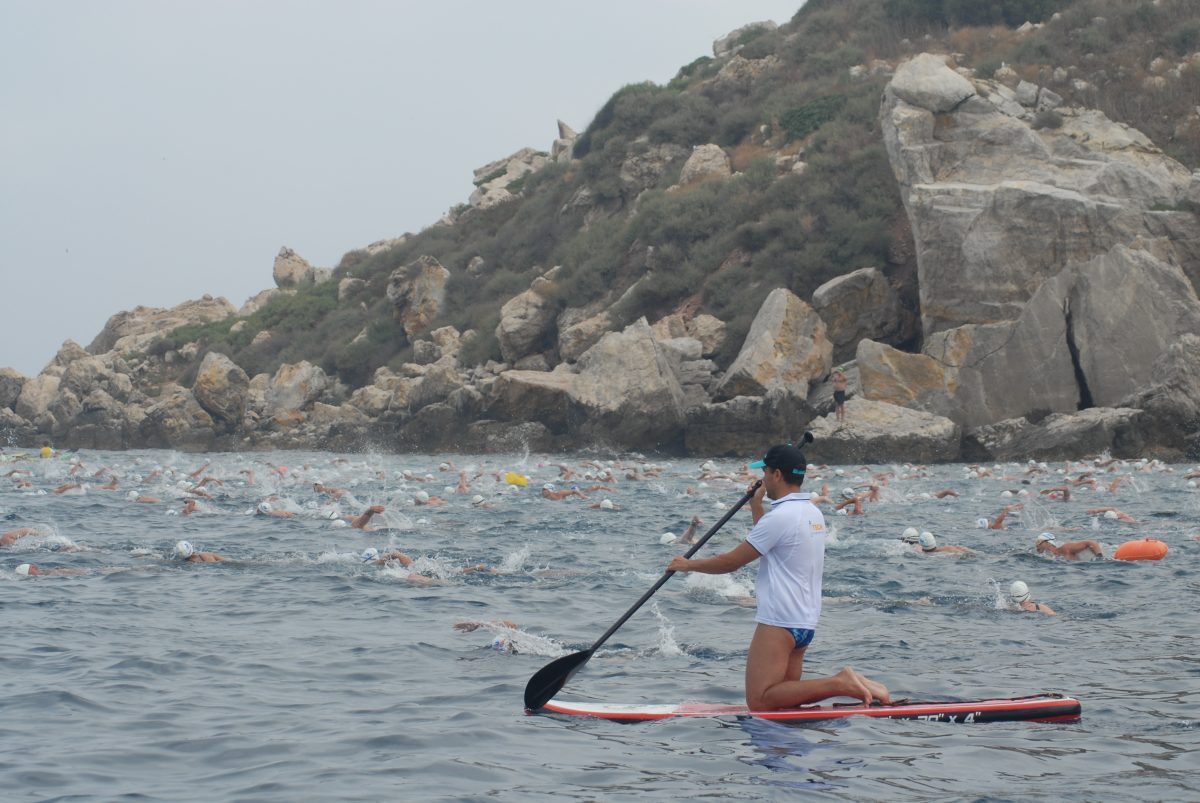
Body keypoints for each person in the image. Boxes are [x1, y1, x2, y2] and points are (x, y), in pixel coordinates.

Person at [667, 442, 889, 710]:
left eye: (766, 472)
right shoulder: (811, 512)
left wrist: (688, 565)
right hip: (805, 620)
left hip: (779, 621)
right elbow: (771, 540)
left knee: (759, 701)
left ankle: (841, 683)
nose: (762, 478)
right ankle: (864, 685)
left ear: (777, 475)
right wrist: (756, 503)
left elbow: (732, 562)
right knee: (781, 700)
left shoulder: (781, 517)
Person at [1035, 532, 1103, 560]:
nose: (1037, 545)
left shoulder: (1065, 548)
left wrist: (1099, 558)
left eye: (1038, 542)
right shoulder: (1050, 557)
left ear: (1048, 543)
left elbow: (1091, 542)